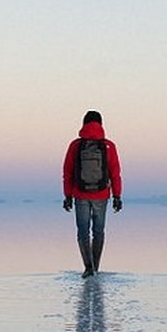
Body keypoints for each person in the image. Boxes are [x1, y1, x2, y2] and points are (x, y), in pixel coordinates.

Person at [62, 110, 123, 278]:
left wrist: (67, 195)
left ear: (84, 123)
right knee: (99, 232)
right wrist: (117, 196)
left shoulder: (75, 145)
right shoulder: (109, 145)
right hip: (102, 195)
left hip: (80, 194)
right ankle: (96, 267)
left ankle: (88, 267)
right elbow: (115, 172)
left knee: (83, 232)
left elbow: (67, 171)